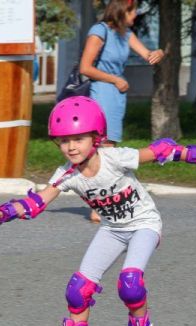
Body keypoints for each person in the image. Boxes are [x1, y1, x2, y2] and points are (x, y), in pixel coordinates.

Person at [0, 96, 196, 326]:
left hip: (144, 224)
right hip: (113, 229)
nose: (71, 147)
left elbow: (160, 151)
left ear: (96, 138)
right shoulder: (66, 175)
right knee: (78, 290)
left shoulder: (114, 158)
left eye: (79, 139)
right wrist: (3, 212)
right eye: (64, 141)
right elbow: (36, 202)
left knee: (130, 283)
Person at [79, 0, 164, 222]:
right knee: (103, 150)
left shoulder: (127, 34)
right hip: (103, 91)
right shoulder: (99, 31)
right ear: (121, 10)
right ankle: (98, 206)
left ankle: (103, 202)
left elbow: (148, 54)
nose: (135, 15)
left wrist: (159, 53)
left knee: (110, 149)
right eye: (132, 10)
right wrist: (115, 79)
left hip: (117, 95)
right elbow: (85, 67)